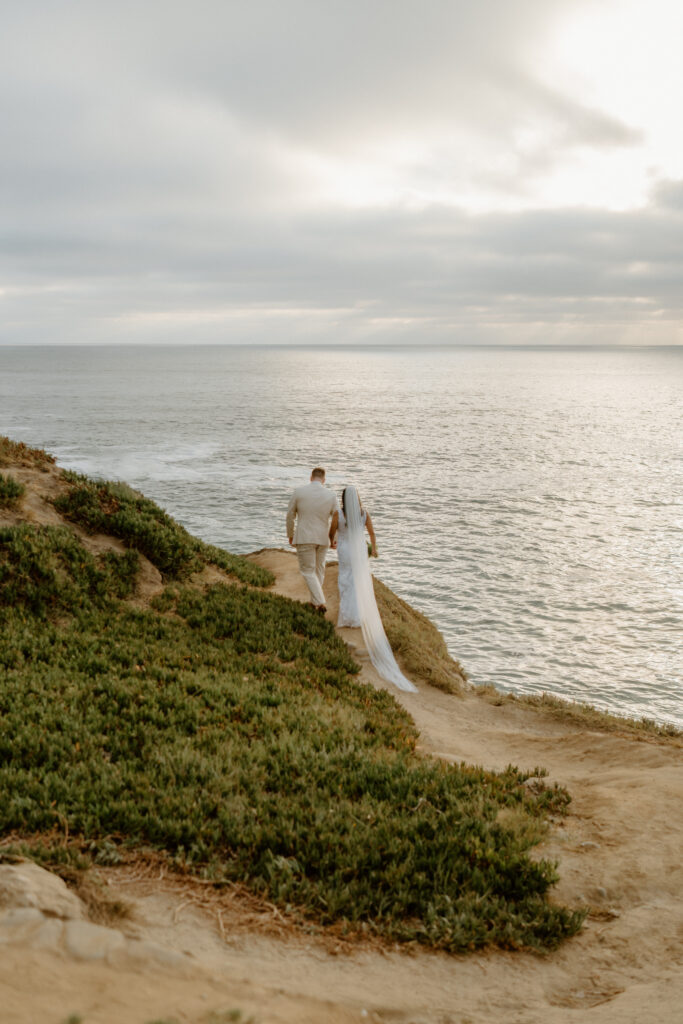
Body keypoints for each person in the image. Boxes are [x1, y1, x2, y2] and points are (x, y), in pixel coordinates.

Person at [329, 485, 417, 693]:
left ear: (343, 499)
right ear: (357, 498)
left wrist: (331, 541)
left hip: (345, 550)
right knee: (359, 581)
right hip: (359, 550)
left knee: (346, 580)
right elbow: (372, 532)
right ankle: (359, 615)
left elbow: (332, 532)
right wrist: (374, 548)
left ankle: (348, 617)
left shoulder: (339, 514)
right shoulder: (363, 513)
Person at [286, 467, 337, 613]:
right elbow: (336, 518)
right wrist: (334, 539)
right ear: (324, 480)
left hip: (305, 536)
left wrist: (290, 534)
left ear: (311, 477)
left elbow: (290, 515)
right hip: (323, 538)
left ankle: (320, 601)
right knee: (319, 570)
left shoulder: (299, 492)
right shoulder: (331, 495)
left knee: (307, 571)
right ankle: (315, 603)